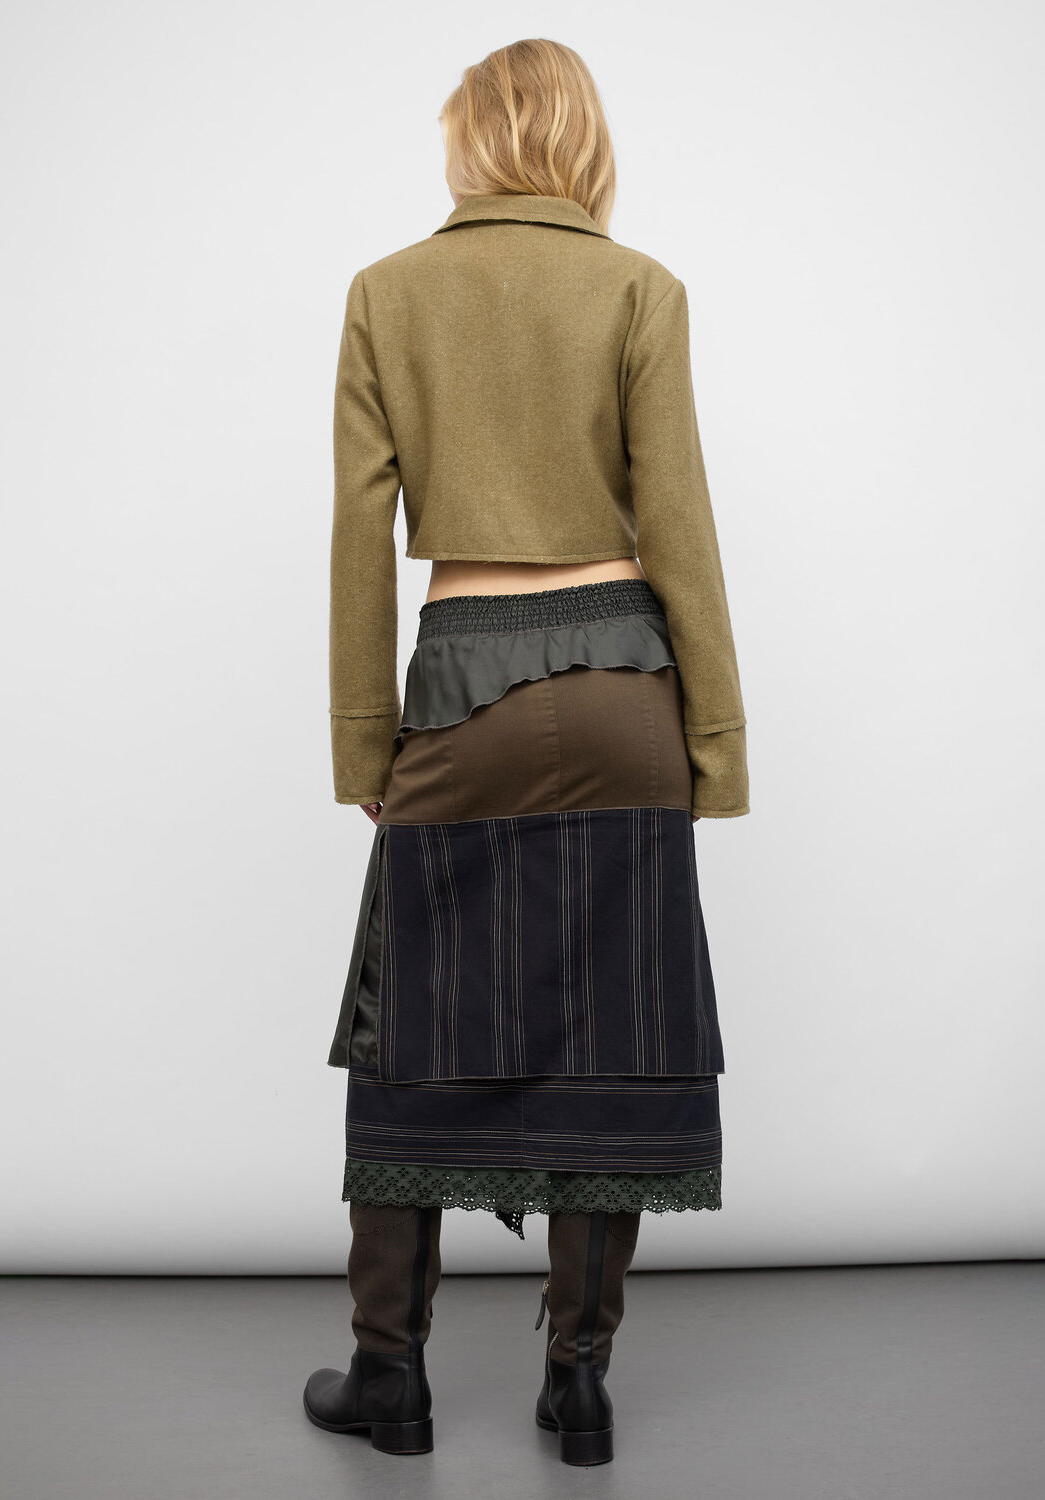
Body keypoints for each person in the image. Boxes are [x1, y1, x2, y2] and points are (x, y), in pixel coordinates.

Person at [303, 37, 749, 1467]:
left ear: (469, 142)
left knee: (416, 1025)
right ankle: (579, 1383)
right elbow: (678, 523)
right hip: (625, 697)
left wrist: (363, 744)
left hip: (463, 694)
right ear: (582, 142)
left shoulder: (387, 292)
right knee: (615, 1024)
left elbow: (357, 534)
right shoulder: (638, 289)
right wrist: (715, 741)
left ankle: (391, 1376)